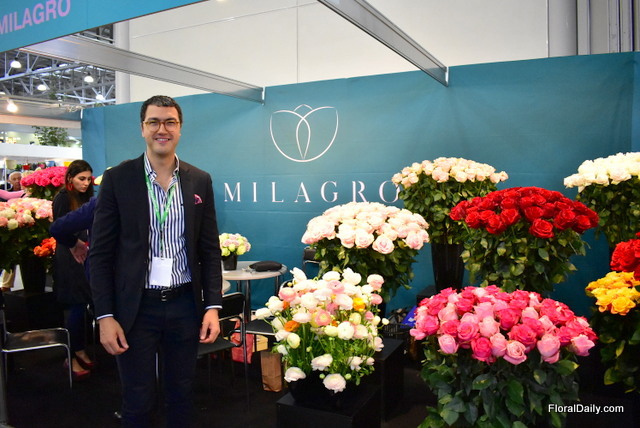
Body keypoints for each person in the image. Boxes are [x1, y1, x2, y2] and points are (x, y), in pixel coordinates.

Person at [90, 95, 223, 427]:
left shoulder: (199, 179)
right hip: (136, 309)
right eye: (154, 122)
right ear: (142, 128)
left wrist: (212, 306)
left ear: (180, 128)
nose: (162, 129)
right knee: (137, 398)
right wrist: (105, 315)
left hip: (185, 305)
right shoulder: (118, 179)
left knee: (181, 394)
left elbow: (209, 249)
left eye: (170, 122)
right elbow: (100, 254)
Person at [52, 160, 95, 379]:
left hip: (85, 255)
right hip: (69, 258)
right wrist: (75, 245)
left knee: (82, 305)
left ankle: (79, 349)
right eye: (81, 179)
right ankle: (71, 355)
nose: (86, 183)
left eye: (88, 179)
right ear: (70, 178)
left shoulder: (87, 197)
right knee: (75, 307)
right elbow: (59, 228)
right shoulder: (62, 198)